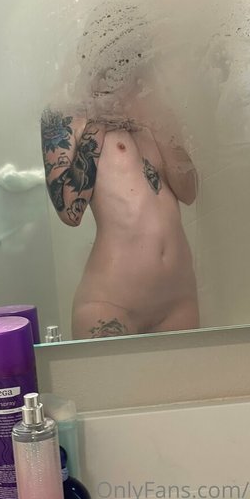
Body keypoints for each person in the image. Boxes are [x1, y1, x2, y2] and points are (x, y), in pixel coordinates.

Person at [41, 76, 199, 339]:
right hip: (111, 303)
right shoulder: (66, 111)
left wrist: (152, 116)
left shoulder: (153, 105)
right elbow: (69, 211)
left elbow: (189, 192)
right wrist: (101, 119)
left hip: (178, 300)